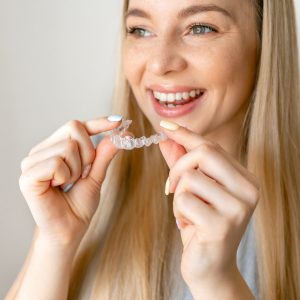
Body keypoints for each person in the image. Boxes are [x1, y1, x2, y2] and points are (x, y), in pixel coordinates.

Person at [5, 0, 300, 299]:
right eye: (141, 30)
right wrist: (55, 241)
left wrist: (217, 282)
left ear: (265, 42)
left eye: (199, 28)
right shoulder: (89, 173)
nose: (159, 63)